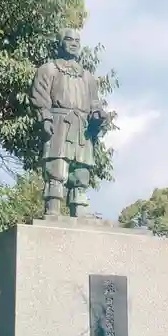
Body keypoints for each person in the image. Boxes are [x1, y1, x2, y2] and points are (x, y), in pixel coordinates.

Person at [30, 28, 108, 217]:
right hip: (59, 122)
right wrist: (45, 118)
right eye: (68, 39)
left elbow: (94, 102)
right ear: (60, 43)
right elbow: (40, 97)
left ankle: (79, 210)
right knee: (56, 168)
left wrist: (98, 116)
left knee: (81, 172)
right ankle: (53, 209)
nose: (73, 43)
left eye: (77, 41)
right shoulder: (48, 69)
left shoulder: (88, 77)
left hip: (83, 127)